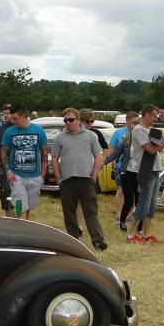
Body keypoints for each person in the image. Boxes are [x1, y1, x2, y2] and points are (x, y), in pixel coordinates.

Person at [51, 107, 107, 251]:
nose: (67, 123)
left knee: (91, 212)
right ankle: (73, 242)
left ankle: (98, 241)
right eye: (65, 120)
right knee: (69, 213)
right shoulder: (60, 138)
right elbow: (55, 159)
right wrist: (59, 179)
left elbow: (98, 156)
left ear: (78, 120)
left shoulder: (90, 136)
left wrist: (93, 177)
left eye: (70, 120)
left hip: (86, 179)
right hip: (67, 180)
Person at [126, 104, 164, 244]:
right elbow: (151, 150)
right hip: (145, 170)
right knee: (144, 204)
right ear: (146, 114)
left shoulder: (150, 130)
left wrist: (163, 140)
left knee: (152, 205)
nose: (155, 118)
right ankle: (131, 234)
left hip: (155, 170)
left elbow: (157, 149)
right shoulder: (139, 130)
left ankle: (146, 234)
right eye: (153, 116)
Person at [0, 105, 47, 220]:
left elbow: (44, 153)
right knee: (20, 204)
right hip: (16, 176)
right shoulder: (9, 131)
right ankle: (20, 224)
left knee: (29, 205)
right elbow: (3, 152)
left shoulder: (38, 130)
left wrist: (42, 175)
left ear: (24, 116)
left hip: (34, 175)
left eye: (15, 118)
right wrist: (8, 171)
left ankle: (25, 224)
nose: (13, 121)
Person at [105, 112, 137, 231]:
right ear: (127, 120)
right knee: (120, 190)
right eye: (134, 121)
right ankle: (119, 215)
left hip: (134, 169)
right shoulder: (119, 133)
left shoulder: (139, 133)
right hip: (120, 167)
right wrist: (113, 164)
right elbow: (113, 149)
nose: (135, 124)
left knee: (131, 192)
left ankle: (128, 215)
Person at [0, 105, 15, 216]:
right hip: (4, 168)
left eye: (8, 113)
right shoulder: (0, 130)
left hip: (20, 167)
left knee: (20, 196)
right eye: (4, 113)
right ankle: (11, 220)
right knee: (6, 195)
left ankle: (21, 220)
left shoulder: (20, 127)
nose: (6, 115)